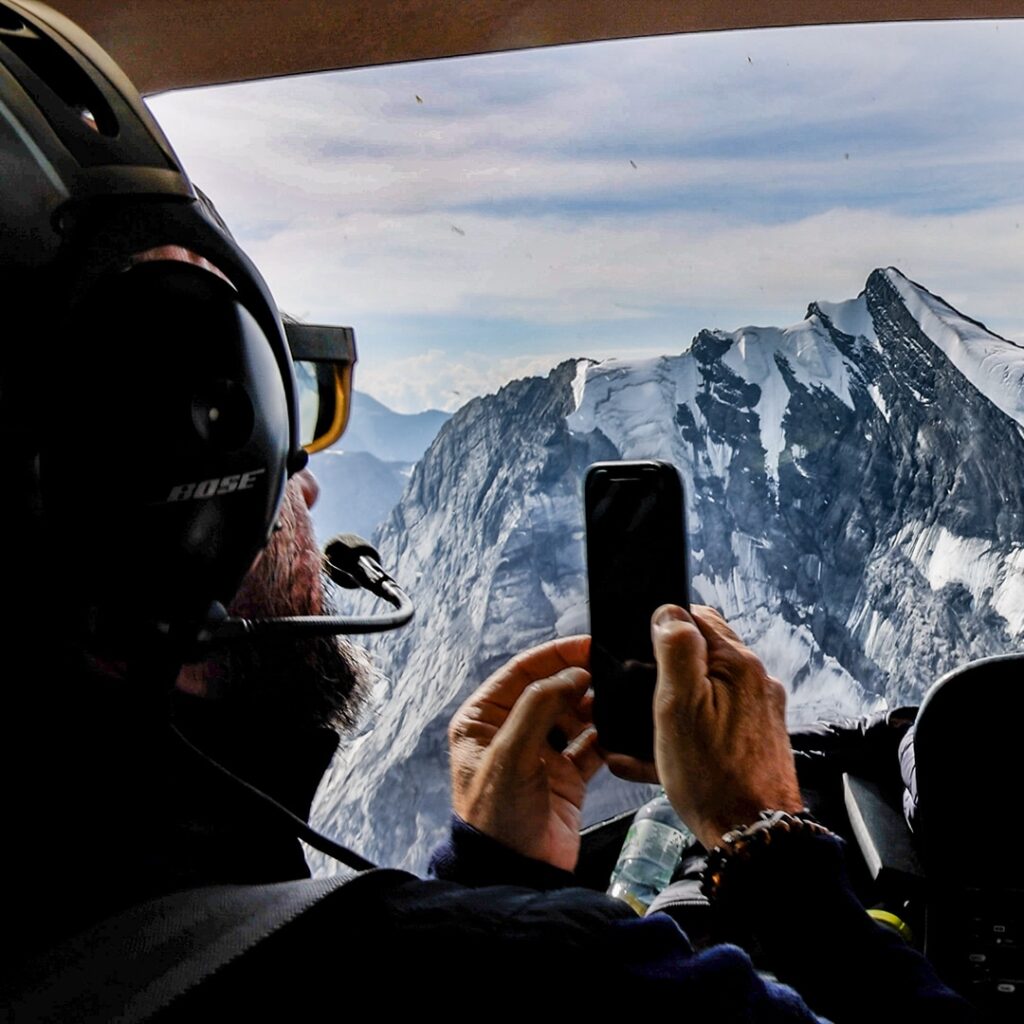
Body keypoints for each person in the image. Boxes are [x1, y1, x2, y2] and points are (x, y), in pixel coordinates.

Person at [0, 7, 974, 1020]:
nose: (309, 482)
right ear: (173, 489)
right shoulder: (544, 986)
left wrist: (493, 873)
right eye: (259, 403)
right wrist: (768, 847)